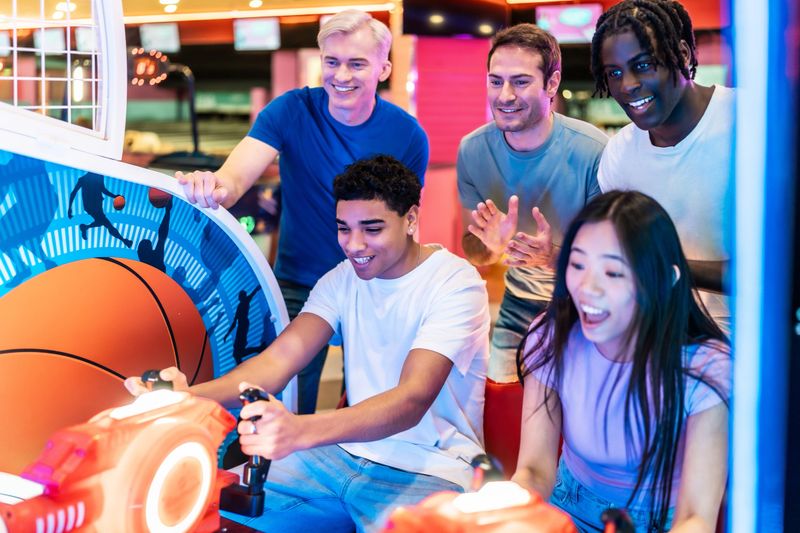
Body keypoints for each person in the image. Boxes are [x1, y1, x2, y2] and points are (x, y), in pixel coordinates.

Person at [127, 155, 489, 533]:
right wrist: (186, 399)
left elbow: (411, 400)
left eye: (372, 228)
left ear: (411, 219)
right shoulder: (342, 279)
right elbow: (279, 360)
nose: (354, 244)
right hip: (338, 456)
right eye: (343, 229)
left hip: (431, 467)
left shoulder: (455, 283)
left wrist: (298, 431)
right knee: (199, 510)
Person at [177, 10, 430, 414]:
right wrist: (211, 186)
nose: (341, 75)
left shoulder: (407, 135)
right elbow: (235, 178)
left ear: (383, 68)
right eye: (332, 62)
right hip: (300, 283)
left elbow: (406, 224)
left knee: (371, 402)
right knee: (288, 400)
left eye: (356, 63)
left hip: (373, 282)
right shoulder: (291, 111)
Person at [513, 191, 730, 532]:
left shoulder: (705, 368)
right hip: (568, 508)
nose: (587, 288)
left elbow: (695, 518)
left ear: (664, 281)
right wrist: (507, 513)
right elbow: (534, 470)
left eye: (612, 273)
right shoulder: (552, 334)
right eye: (578, 264)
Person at [457, 23, 608, 383]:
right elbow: (475, 252)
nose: (504, 95)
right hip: (517, 305)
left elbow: (614, 257)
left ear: (552, 84)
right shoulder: (473, 151)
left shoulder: (594, 150)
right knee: (500, 406)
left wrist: (552, 257)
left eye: (521, 82)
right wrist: (488, 247)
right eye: (496, 81)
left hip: (585, 305)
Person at [591, 0, 733, 331]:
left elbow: (779, 271)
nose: (627, 85)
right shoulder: (619, 154)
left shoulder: (752, 125)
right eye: (614, 73)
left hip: (748, 346)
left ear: (683, 55)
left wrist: (663, 264)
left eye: (643, 66)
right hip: (653, 342)